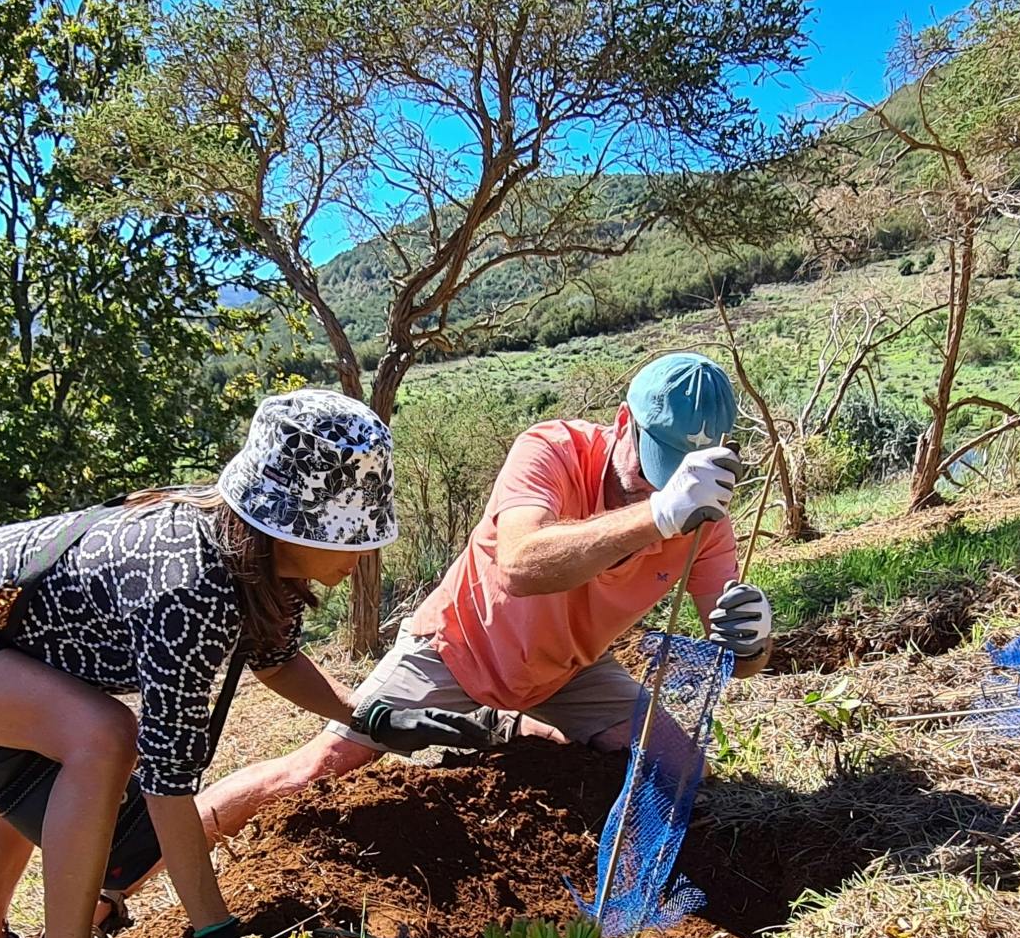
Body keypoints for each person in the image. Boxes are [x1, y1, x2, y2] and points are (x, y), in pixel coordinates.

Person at [0, 389, 404, 938]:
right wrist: (215, 934)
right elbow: (169, 786)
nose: (361, 555)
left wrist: (364, 717)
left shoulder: (252, 559)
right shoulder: (192, 588)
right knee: (102, 739)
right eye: (350, 537)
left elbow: (277, 662)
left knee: (42, 777)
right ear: (291, 526)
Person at [196, 352, 773, 839]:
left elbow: (742, 663)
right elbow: (521, 564)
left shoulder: (705, 517)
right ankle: (139, 862)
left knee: (679, 769)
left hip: (568, 672)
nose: (659, 483)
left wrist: (752, 641)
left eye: (677, 474)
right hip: (454, 647)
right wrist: (656, 516)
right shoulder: (552, 450)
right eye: (654, 464)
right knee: (319, 768)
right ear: (624, 422)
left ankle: (509, 725)